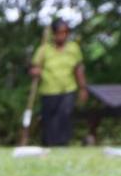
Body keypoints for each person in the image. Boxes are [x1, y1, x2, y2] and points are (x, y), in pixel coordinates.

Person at [29, 19, 88, 147]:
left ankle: (63, 144)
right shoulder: (44, 50)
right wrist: (35, 71)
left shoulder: (74, 48)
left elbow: (78, 69)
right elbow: (33, 68)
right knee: (49, 119)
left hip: (68, 89)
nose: (63, 36)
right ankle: (49, 145)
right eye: (60, 33)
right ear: (54, 34)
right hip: (49, 90)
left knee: (65, 115)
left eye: (65, 33)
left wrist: (83, 88)